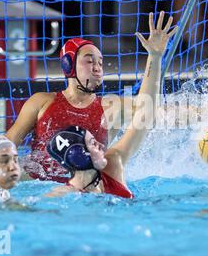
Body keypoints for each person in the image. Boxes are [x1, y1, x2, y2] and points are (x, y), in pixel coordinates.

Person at [6, 10, 208, 183]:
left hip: (91, 192)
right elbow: (7, 145)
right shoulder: (42, 102)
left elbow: (159, 113)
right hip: (37, 189)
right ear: (68, 64)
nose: (97, 67)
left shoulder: (111, 108)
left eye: (101, 62)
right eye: (89, 60)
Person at [44, 11, 178, 198]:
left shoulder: (113, 162)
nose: (101, 145)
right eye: (92, 143)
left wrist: (154, 57)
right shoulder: (59, 196)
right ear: (79, 155)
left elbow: (145, 113)